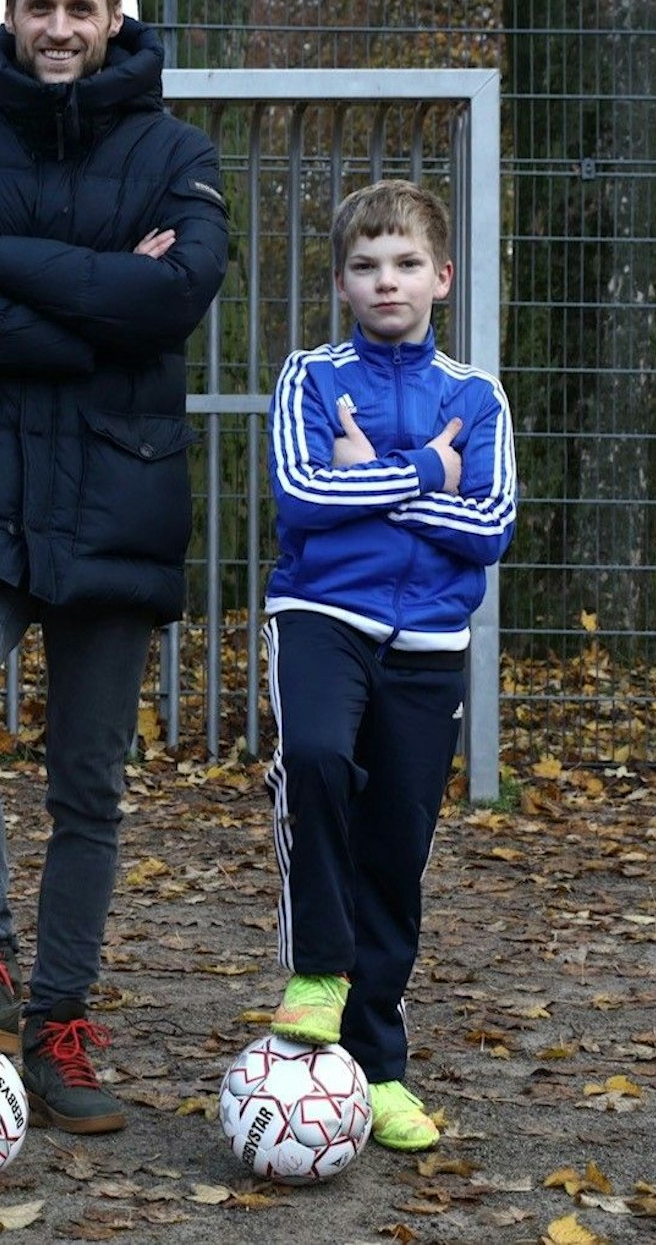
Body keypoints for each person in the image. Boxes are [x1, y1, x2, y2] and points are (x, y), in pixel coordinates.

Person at [0, 0, 229, 1134]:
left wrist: (14, 266)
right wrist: (92, 318)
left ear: (113, 19)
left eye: (81, 6)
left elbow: (178, 293)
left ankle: (60, 1023)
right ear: (11, 17)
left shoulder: (175, 152)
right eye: (40, 6)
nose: (59, 25)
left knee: (90, 782)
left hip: (115, 492)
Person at [261, 178, 516, 1151]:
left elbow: (487, 527)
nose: (385, 281)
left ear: (440, 277)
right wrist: (424, 474)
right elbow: (297, 496)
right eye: (365, 266)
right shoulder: (310, 378)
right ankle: (318, 972)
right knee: (318, 761)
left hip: (429, 644)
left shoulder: (474, 395)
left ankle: (377, 1066)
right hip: (320, 616)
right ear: (340, 281)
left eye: (405, 263)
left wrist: (362, 479)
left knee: (397, 852)